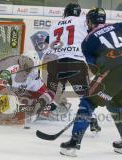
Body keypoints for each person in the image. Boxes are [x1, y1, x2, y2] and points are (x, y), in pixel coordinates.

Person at [60, 8, 122, 156]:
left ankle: (73, 143)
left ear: (89, 22)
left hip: (114, 72)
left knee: (88, 102)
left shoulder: (87, 42)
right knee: (115, 105)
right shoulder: (118, 27)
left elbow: (94, 68)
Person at [43, 3, 101, 132]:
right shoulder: (84, 20)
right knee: (86, 95)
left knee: (52, 93)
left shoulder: (55, 24)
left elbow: (47, 42)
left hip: (55, 64)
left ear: (66, 12)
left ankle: (44, 108)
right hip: (75, 62)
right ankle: (92, 119)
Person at [0, 52, 54, 124]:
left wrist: (46, 102)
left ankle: (8, 111)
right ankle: (2, 113)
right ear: (22, 61)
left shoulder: (33, 74)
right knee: (11, 104)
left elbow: (44, 92)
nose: (29, 70)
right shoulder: (11, 66)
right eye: (28, 66)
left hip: (9, 92)